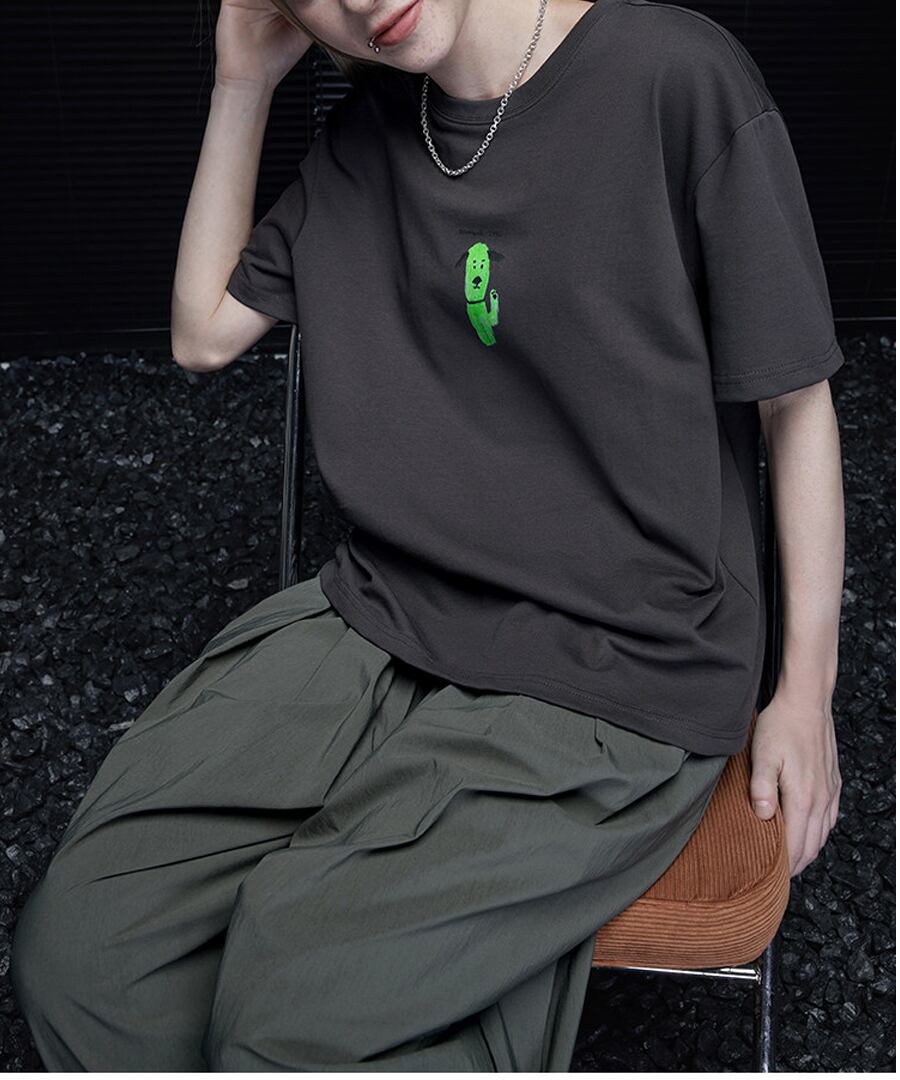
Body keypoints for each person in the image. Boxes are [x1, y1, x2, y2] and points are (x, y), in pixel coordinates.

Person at [10, 0, 845, 1071]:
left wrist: (805, 694)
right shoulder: (367, 137)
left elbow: (795, 405)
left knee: (292, 1000)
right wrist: (242, 84)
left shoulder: (674, 78)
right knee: (79, 959)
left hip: (618, 659)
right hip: (385, 613)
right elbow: (201, 334)